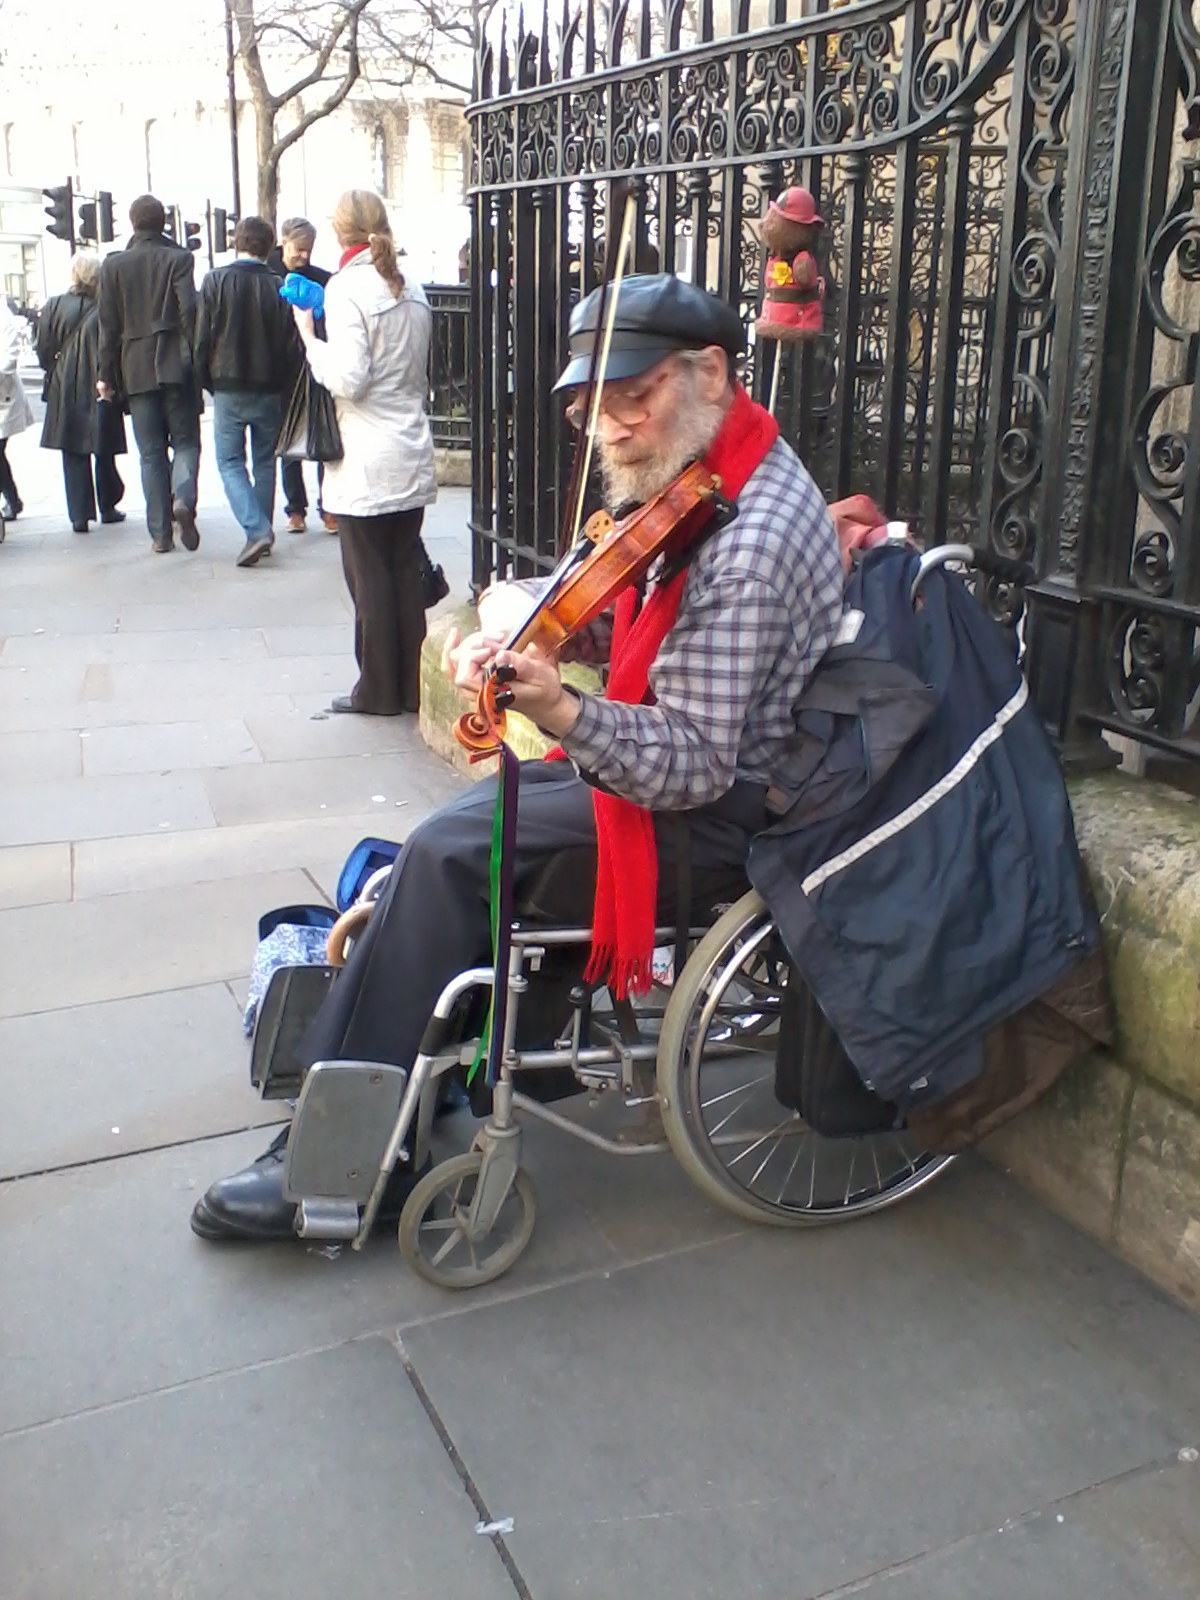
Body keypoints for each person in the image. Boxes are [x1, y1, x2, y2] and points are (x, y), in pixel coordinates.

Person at [191, 273, 845, 1243]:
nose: (611, 426)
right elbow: (626, 595)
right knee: (456, 839)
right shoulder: (717, 459)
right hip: (687, 766)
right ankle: (422, 1067)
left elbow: (698, 763)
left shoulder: (744, 539)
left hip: (716, 813)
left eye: (636, 394)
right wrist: (530, 626)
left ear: (710, 371)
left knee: (452, 854)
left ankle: (343, 1161)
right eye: (594, 403)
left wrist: (566, 713)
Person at [289, 189, 436, 717]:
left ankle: (376, 690)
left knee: (369, 577)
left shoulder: (348, 289)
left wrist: (310, 338)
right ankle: (411, 685)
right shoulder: (412, 286)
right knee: (401, 570)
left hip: (366, 456)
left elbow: (349, 379)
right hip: (409, 446)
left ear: (338, 231)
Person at [97, 193, 200, 554]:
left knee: (151, 453)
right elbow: (189, 310)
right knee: (186, 441)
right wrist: (198, 357)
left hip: (136, 367)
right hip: (177, 363)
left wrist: (105, 374)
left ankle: (160, 534)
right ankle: (184, 498)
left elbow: (107, 326)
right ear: (163, 223)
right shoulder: (180, 259)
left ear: (132, 223)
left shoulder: (113, 266)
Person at [195, 215, 296, 568]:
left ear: (237, 242)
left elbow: (202, 338)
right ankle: (262, 529)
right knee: (266, 459)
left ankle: (256, 529)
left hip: (228, 384)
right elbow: (290, 344)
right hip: (269, 386)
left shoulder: (214, 281)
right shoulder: (279, 285)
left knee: (229, 461)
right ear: (270, 247)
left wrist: (204, 380)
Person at [36, 253, 127, 534]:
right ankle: (108, 505)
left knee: (72, 450)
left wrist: (55, 367)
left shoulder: (54, 306)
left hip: (64, 384)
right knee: (104, 447)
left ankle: (79, 514)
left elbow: (43, 349)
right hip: (99, 382)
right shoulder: (106, 308)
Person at [269, 216, 335, 535]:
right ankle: (295, 508)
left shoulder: (322, 280)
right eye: (299, 249)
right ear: (283, 240)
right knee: (290, 436)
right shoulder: (269, 276)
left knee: (323, 433)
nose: (304, 256)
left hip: (315, 362)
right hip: (285, 364)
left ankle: (329, 507)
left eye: (309, 250)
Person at [0, 296, 33, 520]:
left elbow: (10, 353)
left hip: (3, 393)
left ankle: (12, 500)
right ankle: (13, 499)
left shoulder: (2, 314)